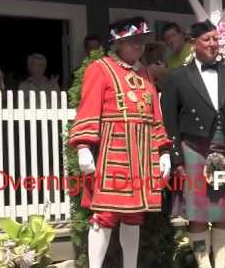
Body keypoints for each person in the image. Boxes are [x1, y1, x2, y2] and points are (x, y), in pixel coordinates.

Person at [68, 17, 172, 268]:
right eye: (131, 41)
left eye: (141, 41)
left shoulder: (146, 73)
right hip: (113, 152)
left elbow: (155, 115)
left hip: (143, 154)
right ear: (117, 43)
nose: (137, 46)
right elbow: (88, 109)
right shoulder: (100, 68)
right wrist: (83, 147)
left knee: (134, 216)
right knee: (104, 214)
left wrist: (164, 151)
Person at [161, 20, 225, 268]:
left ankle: (222, 263)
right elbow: (169, 121)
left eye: (216, 39)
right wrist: (176, 159)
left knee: (224, 214)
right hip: (193, 150)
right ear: (193, 44)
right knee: (197, 215)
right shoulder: (177, 77)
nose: (213, 44)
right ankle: (204, 264)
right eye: (207, 39)